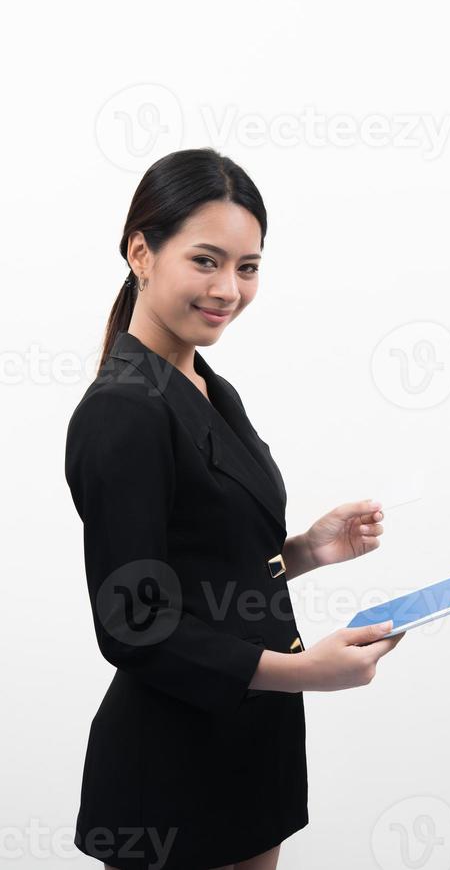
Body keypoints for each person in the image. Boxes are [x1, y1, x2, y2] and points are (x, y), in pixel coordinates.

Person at [64, 147, 405, 870]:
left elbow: (201, 566)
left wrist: (307, 550)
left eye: (247, 267)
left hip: (247, 750)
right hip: (170, 773)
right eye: (207, 261)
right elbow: (135, 625)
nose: (229, 288)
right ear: (140, 253)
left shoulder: (209, 386)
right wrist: (305, 670)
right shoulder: (122, 412)